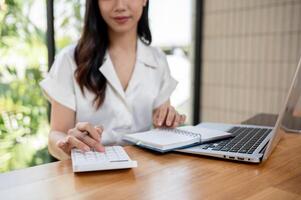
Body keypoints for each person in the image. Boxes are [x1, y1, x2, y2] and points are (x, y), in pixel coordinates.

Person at [40, 0, 186, 160]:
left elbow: (162, 126)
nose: (120, 6)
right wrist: (66, 143)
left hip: (143, 175)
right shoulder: (69, 60)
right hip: (89, 176)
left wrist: (168, 123)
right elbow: (55, 135)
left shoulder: (158, 60)